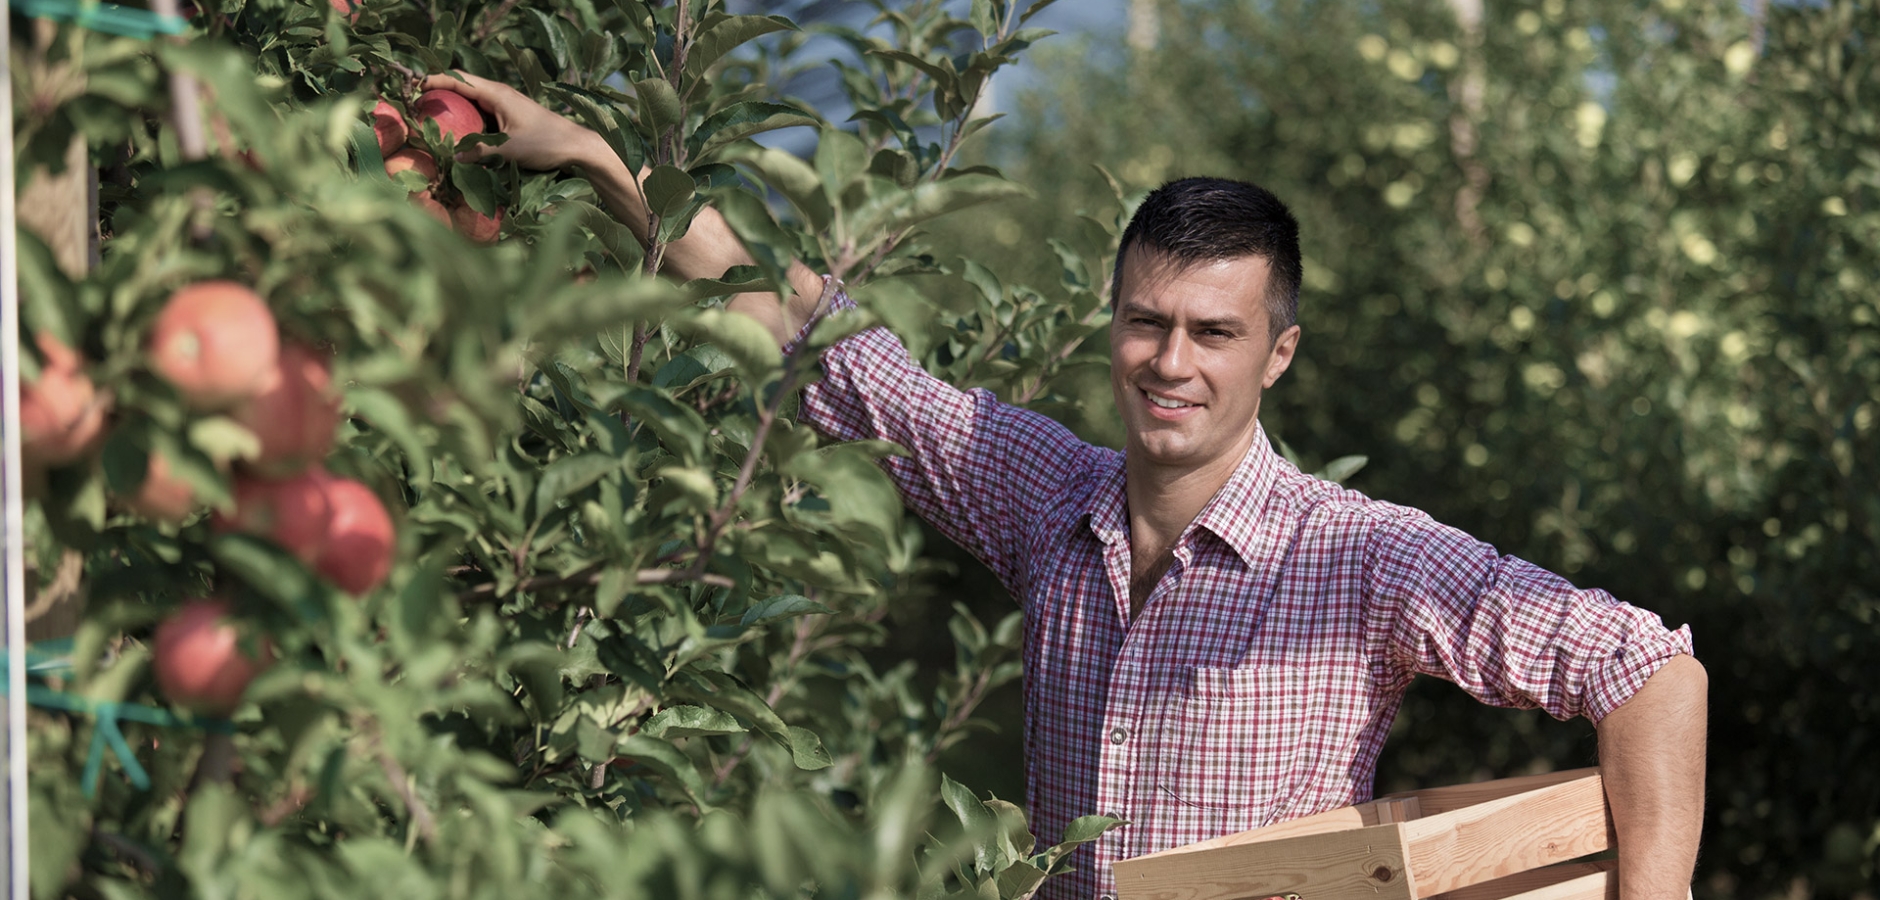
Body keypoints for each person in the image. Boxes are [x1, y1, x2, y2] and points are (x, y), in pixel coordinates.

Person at [423, 72, 1708, 900]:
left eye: (1213, 333)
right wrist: (596, 159)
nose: (1169, 361)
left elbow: (1648, 675)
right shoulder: (1043, 491)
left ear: (1279, 354)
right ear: (1112, 321)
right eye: (1147, 322)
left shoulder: (1358, 557)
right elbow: (822, 341)